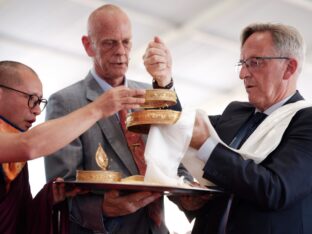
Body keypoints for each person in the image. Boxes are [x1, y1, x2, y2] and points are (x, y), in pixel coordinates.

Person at [44, 4, 191, 234]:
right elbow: (58, 190)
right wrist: (102, 208)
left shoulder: (151, 94)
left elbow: (173, 158)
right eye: (110, 42)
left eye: (126, 42)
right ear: (88, 45)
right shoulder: (65, 102)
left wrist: (191, 195)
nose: (121, 51)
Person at [178, 23, 312, 234]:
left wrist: (208, 147)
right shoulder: (235, 113)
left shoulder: (306, 121)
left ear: (289, 68)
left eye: (255, 63)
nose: (242, 74)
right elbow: (181, 129)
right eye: (242, 63)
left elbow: (275, 190)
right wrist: (164, 82)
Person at [0, 60, 145, 234]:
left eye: (40, 101)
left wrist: (50, 197)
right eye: (31, 99)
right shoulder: (19, 143)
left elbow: (20, 219)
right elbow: (29, 145)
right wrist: (97, 109)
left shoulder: (11, 141)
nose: (38, 110)